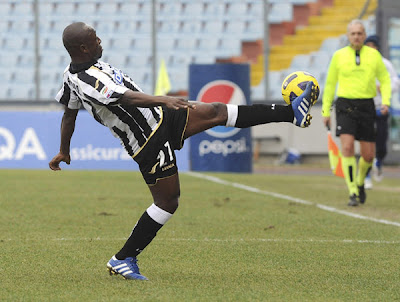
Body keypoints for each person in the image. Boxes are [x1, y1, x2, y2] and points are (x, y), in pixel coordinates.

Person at [49, 22, 319, 281]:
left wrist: (63, 150)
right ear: (83, 48)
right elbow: (123, 98)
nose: (100, 40)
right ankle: (123, 258)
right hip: (147, 140)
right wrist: (164, 98)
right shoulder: (84, 79)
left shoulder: (83, 68)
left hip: (162, 117)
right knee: (168, 202)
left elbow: (70, 115)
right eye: (95, 38)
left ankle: (290, 113)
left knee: (216, 111)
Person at [322, 20, 391, 207]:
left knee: (368, 155)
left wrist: (385, 101)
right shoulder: (339, 56)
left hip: (366, 105)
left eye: (360, 33)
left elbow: (385, 79)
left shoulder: (373, 55)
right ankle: (352, 190)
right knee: (347, 148)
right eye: (353, 34)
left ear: (364, 34)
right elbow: (329, 84)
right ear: (348, 36)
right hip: (345, 104)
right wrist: (325, 109)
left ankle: (360, 181)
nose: (356, 37)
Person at [363, 34, 400, 189]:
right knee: (366, 141)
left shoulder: (386, 64)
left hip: (382, 107)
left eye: (373, 45)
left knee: (381, 141)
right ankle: (366, 176)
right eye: (368, 45)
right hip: (365, 107)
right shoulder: (361, 64)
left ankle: (379, 161)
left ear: (377, 47)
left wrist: (381, 88)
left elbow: (396, 83)